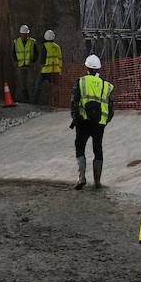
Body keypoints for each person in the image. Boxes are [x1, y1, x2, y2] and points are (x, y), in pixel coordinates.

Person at [70, 54, 114, 189]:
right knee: (98, 149)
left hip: (83, 121)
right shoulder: (107, 86)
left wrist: (75, 118)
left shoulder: (81, 82)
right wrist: (104, 122)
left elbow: (74, 102)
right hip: (99, 123)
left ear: (86, 67)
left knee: (80, 146)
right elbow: (111, 108)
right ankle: (97, 181)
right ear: (99, 68)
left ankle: (81, 178)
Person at [13, 25, 38, 104]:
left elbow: (36, 53)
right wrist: (15, 61)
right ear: (20, 34)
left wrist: (33, 61)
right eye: (23, 34)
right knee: (22, 83)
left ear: (28, 34)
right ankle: (25, 98)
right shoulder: (17, 42)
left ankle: (32, 100)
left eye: (26, 34)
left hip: (29, 65)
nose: (24, 35)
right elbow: (14, 52)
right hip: (20, 65)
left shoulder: (32, 42)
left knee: (31, 82)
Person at [37, 30, 62, 105]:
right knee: (55, 88)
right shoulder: (57, 47)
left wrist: (40, 66)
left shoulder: (44, 46)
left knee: (38, 85)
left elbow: (42, 59)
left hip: (46, 71)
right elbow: (60, 59)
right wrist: (60, 70)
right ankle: (56, 102)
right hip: (56, 71)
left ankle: (35, 102)